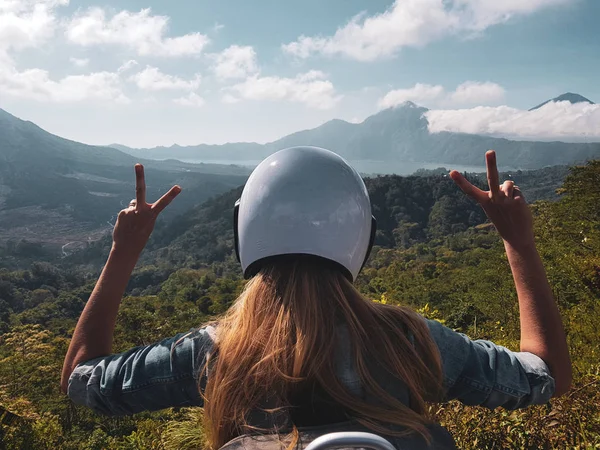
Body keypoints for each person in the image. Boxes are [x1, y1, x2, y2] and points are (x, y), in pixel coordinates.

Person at [61, 147, 572, 450]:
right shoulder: (412, 342)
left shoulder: (214, 352)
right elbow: (545, 375)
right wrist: (518, 241)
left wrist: (123, 252)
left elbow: (82, 382)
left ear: (243, 229)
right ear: (363, 238)